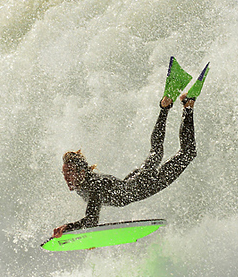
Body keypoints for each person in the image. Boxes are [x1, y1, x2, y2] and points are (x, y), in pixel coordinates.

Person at [52, 61, 207, 239]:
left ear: (81, 172)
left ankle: (187, 106)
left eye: (69, 174)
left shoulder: (93, 185)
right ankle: (166, 107)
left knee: (187, 153)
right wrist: (89, 234)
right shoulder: (83, 184)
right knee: (155, 151)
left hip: (144, 185)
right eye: (64, 174)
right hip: (135, 180)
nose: (66, 179)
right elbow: (91, 222)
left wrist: (69, 228)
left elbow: (91, 220)